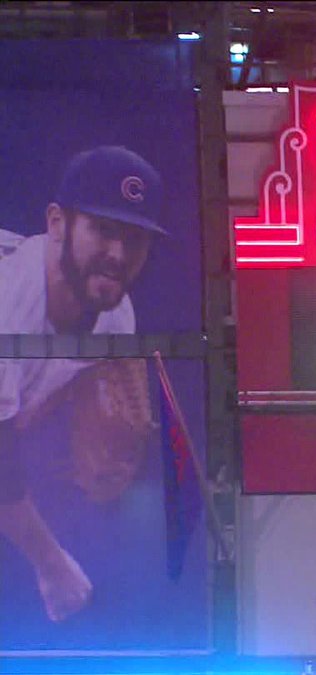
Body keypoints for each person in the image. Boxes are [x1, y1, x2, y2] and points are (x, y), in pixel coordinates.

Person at [0, 146, 164, 622]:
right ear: (57, 223)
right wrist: (53, 567)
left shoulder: (116, 317)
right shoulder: (10, 301)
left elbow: (30, 410)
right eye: (103, 229)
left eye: (135, 239)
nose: (118, 254)